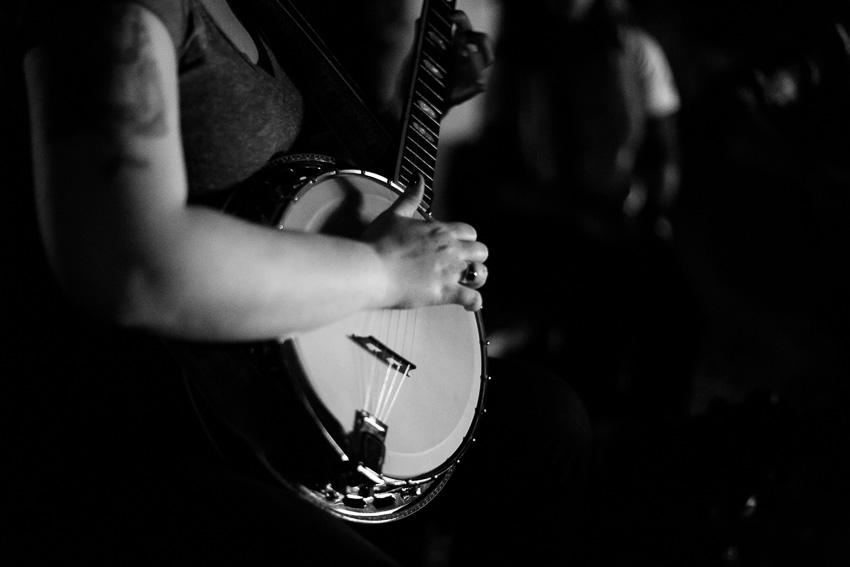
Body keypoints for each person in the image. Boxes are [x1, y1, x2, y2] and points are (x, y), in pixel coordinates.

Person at [4, 0, 592, 565]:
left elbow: (293, 182)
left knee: (548, 422)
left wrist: (410, 105)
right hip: (182, 402)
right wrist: (382, 272)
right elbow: (129, 263)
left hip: (311, 339)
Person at [445, 0, 701, 425]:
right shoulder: (515, 63)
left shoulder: (635, 50)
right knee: (586, 313)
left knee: (677, 314)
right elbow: (500, 169)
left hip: (625, 221)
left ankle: (653, 435)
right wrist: (563, 214)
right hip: (546, 225)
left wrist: (646, 215)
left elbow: (664, 155)